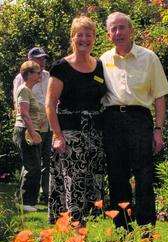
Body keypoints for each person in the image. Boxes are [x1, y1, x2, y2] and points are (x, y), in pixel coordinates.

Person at [100, 12, 168, 230]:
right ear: (108, 34)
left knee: (144, 175)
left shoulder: (149, 58)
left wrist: (158, 130)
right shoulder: (102, 60)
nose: (118, 32)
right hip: (111, 120)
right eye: (113, 29)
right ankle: (122, 229)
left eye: (122, 27)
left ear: (131, 30)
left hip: (139, 119)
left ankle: (146, 228)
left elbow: (160, 95)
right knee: (116, 174)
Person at [45, 16, 107, 224]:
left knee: (91, 180)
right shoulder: (61, 67)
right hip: (70, 135)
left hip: (94, 135)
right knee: (73, 180)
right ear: (72, 38)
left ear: (94, 38)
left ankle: (85, 226)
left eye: (88, 35)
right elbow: (50, 104)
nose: (84, 39)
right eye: (79, 35)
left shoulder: (100, 66)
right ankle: (73, 227)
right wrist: (57, 135)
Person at [13, 47, 52, 204]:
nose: (42, 62)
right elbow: (19, 105)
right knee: (32, 162)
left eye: (43, 59)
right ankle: (25, 196)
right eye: (39, 59)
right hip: (31, 125)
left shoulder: (48, 75)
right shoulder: (20, 80)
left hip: (47, 124)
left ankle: (45, 195)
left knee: (47, 161)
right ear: (29, 61)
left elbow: (52, 98)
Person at [13, 60, 43, 212]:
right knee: (33, 167)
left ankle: (27, 201)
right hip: (25, 131)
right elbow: (24, 113)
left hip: (30, 131)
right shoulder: (23, 89)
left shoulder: (29, 90)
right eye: (37, 72)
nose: (40, 74)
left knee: (33, 166)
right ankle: (25, 202)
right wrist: (32, 132)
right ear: (29, 74)